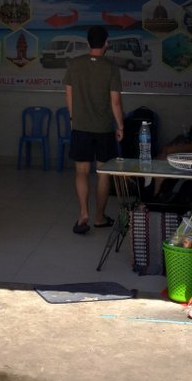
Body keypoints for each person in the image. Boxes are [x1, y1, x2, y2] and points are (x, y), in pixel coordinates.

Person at [65, 25, 124, 234]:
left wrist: (73, 118)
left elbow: (69, 95)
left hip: (80, 126)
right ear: (106, 42)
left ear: (88, 43)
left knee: (81, 172)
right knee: (103, 173)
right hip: (103, 128)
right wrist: (120, 125)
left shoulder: (74, 64)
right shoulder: (111, 67)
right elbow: (115, 101)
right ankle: (99, 216)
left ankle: (83, 213)